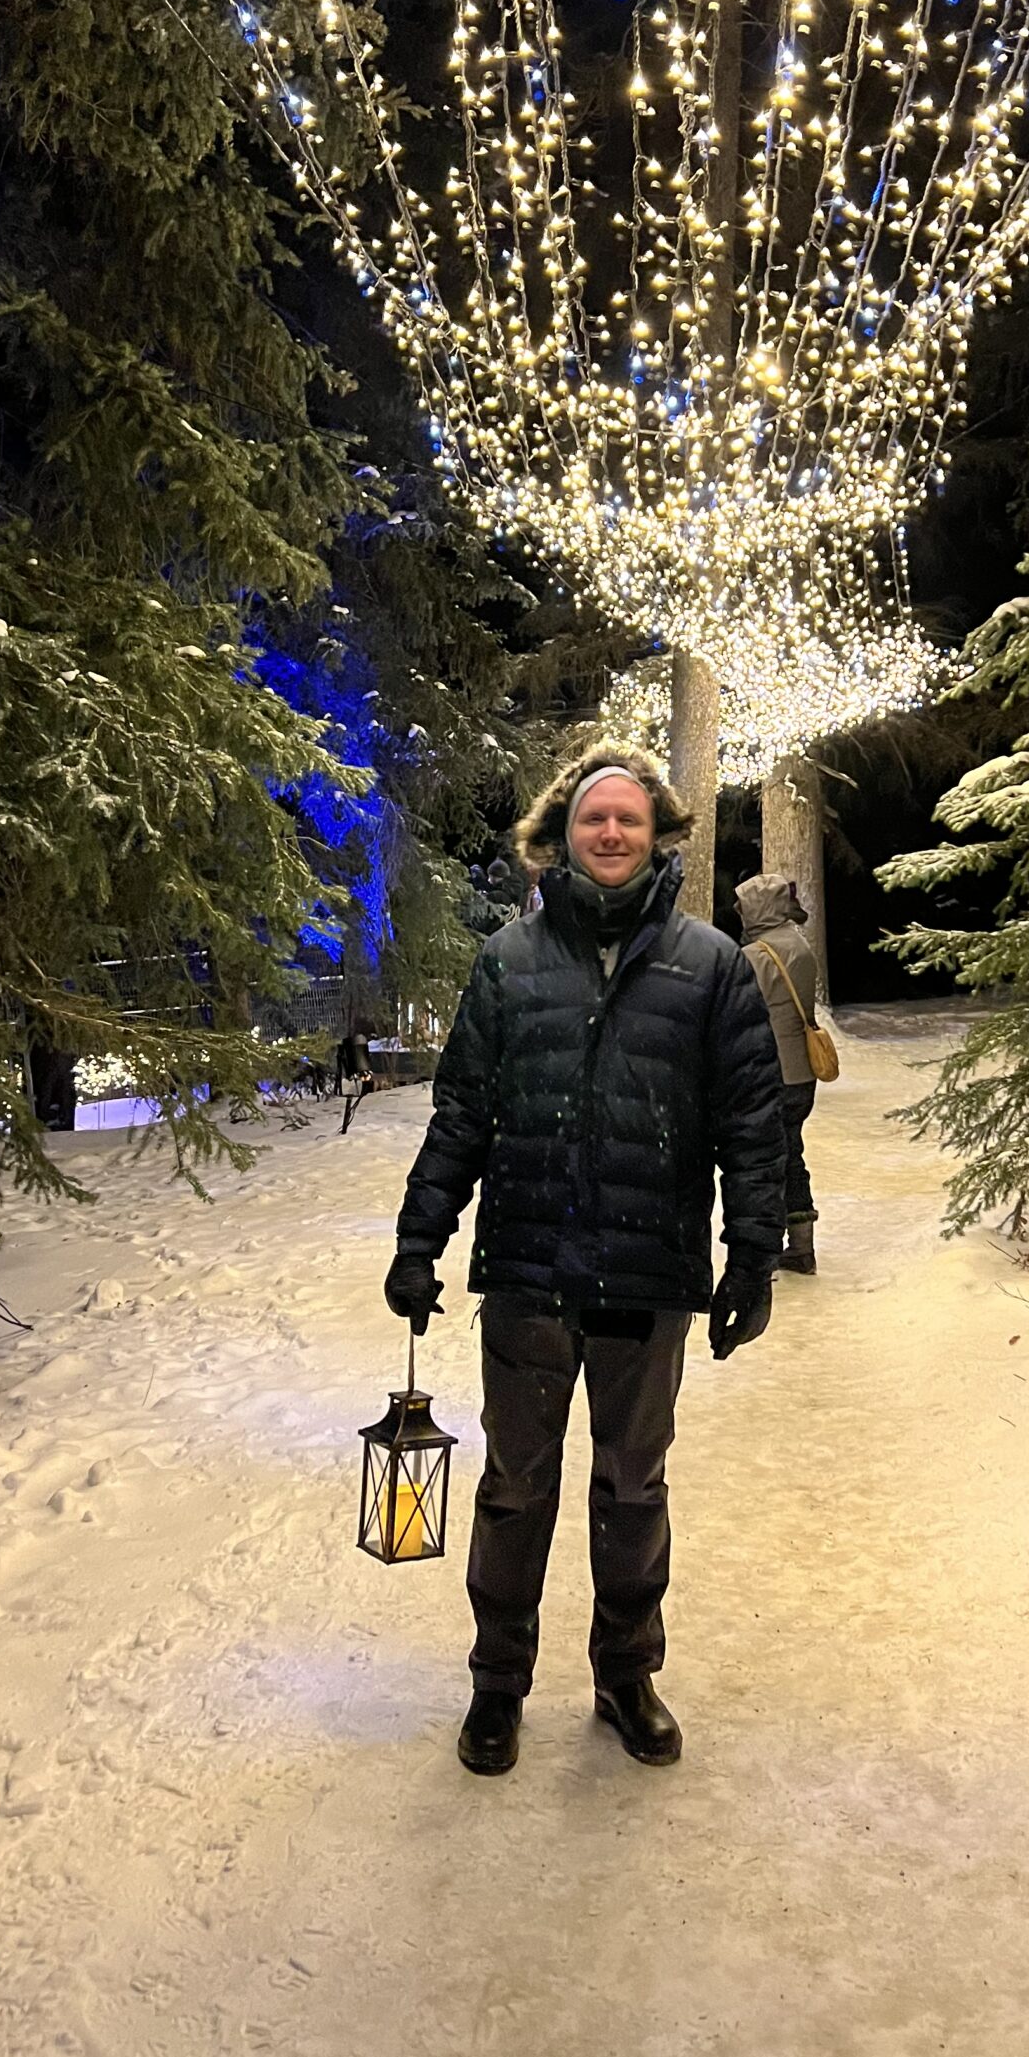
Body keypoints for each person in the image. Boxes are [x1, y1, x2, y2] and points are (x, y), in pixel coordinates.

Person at [383, 745, 787, 1777]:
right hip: (528, 1272)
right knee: (517, 1486)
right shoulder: (508, 963)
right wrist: (419, 1239)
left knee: (633, 1485)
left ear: (659, 835)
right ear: (559, 835)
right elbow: (461, 1114)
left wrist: (752, 1253)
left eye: (629, 820)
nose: (610, 834)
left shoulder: (712, 966)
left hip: (646, 1280)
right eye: (592, 819)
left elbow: (751, 1124)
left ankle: (625, 1674)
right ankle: (496, 1682)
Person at [734, 873, 822, 1275]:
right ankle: (801, 1243)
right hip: (802, 1072)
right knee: (791, 1154)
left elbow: (741, 1011)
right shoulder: (798, 944)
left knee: (766, 1162)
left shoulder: (759, 954)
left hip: (771, 1072)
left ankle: (768, 1248)